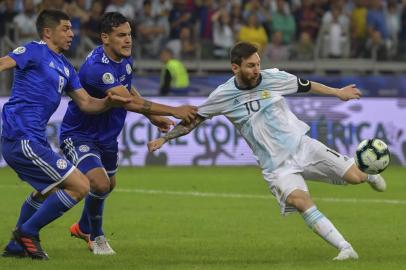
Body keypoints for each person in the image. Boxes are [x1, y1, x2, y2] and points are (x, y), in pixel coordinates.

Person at [147, 42, 388, 261]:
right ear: (235, 68)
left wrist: (337, 92)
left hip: (304, 147)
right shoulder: (222, 95)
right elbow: (194, 120)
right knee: (300, 201)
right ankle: (345, 248)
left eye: (258, 64)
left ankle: (369, 174)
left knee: (355, 177)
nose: (256, 69)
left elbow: (307, 85)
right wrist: (165, 139)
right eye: (250, 66)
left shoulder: (275, 78)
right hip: (276, 165)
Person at [58, 12, 197, 255]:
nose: (128, 40)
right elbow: (126, 102)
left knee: (109, 184)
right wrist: (175, 110)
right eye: (121, 35)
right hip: (80, 133)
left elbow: (128, 90)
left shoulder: (124, 60)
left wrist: (151, 115)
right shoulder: (96, 68)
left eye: (129, 35)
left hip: (107, 135)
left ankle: (82, 226)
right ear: (105, 38)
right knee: (99, 184)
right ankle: (97, 237)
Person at [0, 9, 131, 260]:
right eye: (65, 29)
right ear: (48, 32)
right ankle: (27, 232)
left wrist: (109, 102)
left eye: (72, 28)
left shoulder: (66, 67)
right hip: (21, 137)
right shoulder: (34, 50)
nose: (72, 33)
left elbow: (87, 103)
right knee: (80, 185)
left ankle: (17, 246)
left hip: (34, 139)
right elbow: (3, 63)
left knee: (48, 190)